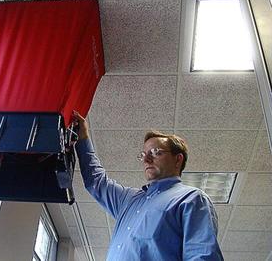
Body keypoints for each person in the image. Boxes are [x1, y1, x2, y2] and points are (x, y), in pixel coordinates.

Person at [72, 111, 223, 260]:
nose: (147, 160)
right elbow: (95, 181)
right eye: (143, 155)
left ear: (178, 160)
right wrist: (83, 139)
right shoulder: (128, 199)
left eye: (156, 152)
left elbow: (202, 256)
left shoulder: (191, 199)